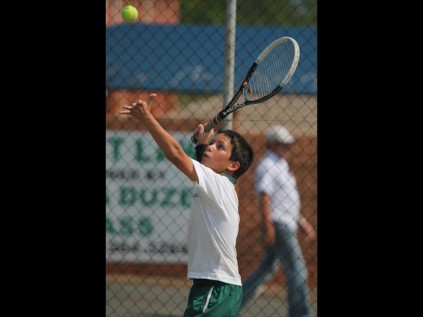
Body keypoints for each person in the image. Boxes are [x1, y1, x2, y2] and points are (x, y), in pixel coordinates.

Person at [120, 93, 254, 317]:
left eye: (219, 147)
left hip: (215, 287)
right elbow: (202, 164)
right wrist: (203, 146)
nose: (211, 148)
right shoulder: (219, 185)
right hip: (216, 286)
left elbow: (175, 154)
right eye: (212, 143)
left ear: (233, 165)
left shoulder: (218, 185)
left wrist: (147, 118)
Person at [240, 125, 316, 317]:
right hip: (278, 224)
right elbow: (265, 196)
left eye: (288, 144)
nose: (287, 148)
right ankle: (301, 314)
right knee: (298, 270)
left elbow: (286, 200)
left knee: (266, 269)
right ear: (272, 144)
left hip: (285, 222)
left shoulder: (281, 165)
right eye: (283, 144)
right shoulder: (268, 165)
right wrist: (269, 227)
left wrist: (301, 222)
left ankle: (232, 305)